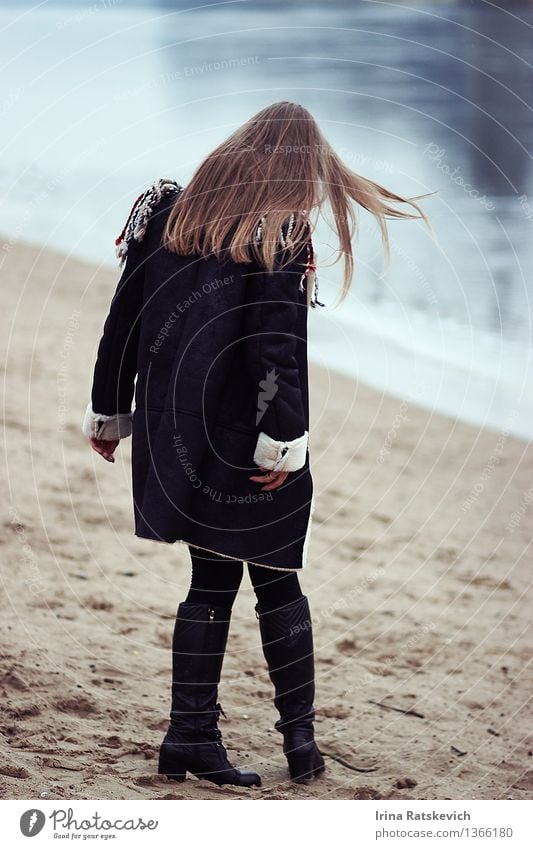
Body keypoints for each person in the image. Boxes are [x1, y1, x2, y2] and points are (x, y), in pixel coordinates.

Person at [82, 101, 428, 788]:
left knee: (212, 578)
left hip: (174, 427)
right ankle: (297, 742)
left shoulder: (170, 213)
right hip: (246, 435)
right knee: (275, 577)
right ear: (300, 165)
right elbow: (276, 348)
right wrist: (284, 440)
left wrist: (108, 409)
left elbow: (123, 315)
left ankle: (190, 736)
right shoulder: (280, 226)